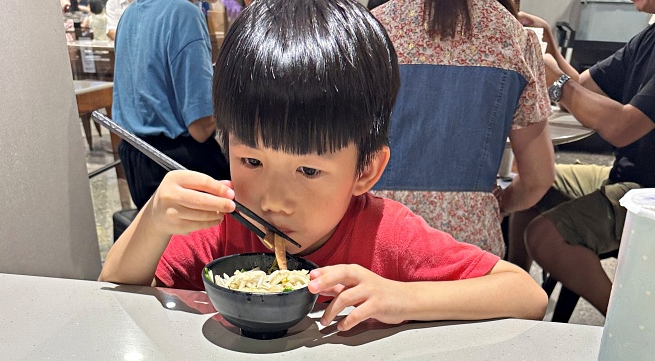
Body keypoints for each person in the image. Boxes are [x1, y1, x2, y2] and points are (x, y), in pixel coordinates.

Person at [100, 0, 546, 332]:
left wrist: (404, 296)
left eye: (309, 171)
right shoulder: (220, 223)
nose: (272, 200)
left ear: (366, 171)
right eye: (251, 160)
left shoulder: (386, 235)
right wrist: (154, 219)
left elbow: (526, 294)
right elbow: (116, 291)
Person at [372, 0, 555, 257]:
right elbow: (539, 178)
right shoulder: (513, 37)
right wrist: (495, 204)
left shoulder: (372, 31)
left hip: (377, 231)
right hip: (469, 243)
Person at [509, 3, 655, 315]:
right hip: (627, 174)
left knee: (545, 235)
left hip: (647, 191)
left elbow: (622, 127)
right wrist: (549, 43)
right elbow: (587, 89)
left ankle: (630, 323)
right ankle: (512, 296)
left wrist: (558, 85)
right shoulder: (648, 38)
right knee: (534, 181)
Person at [112, 0, 229, 210]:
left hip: (136, 161)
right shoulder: (184, 14)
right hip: (178, 166)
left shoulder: (128, 15)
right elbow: (201, 127)